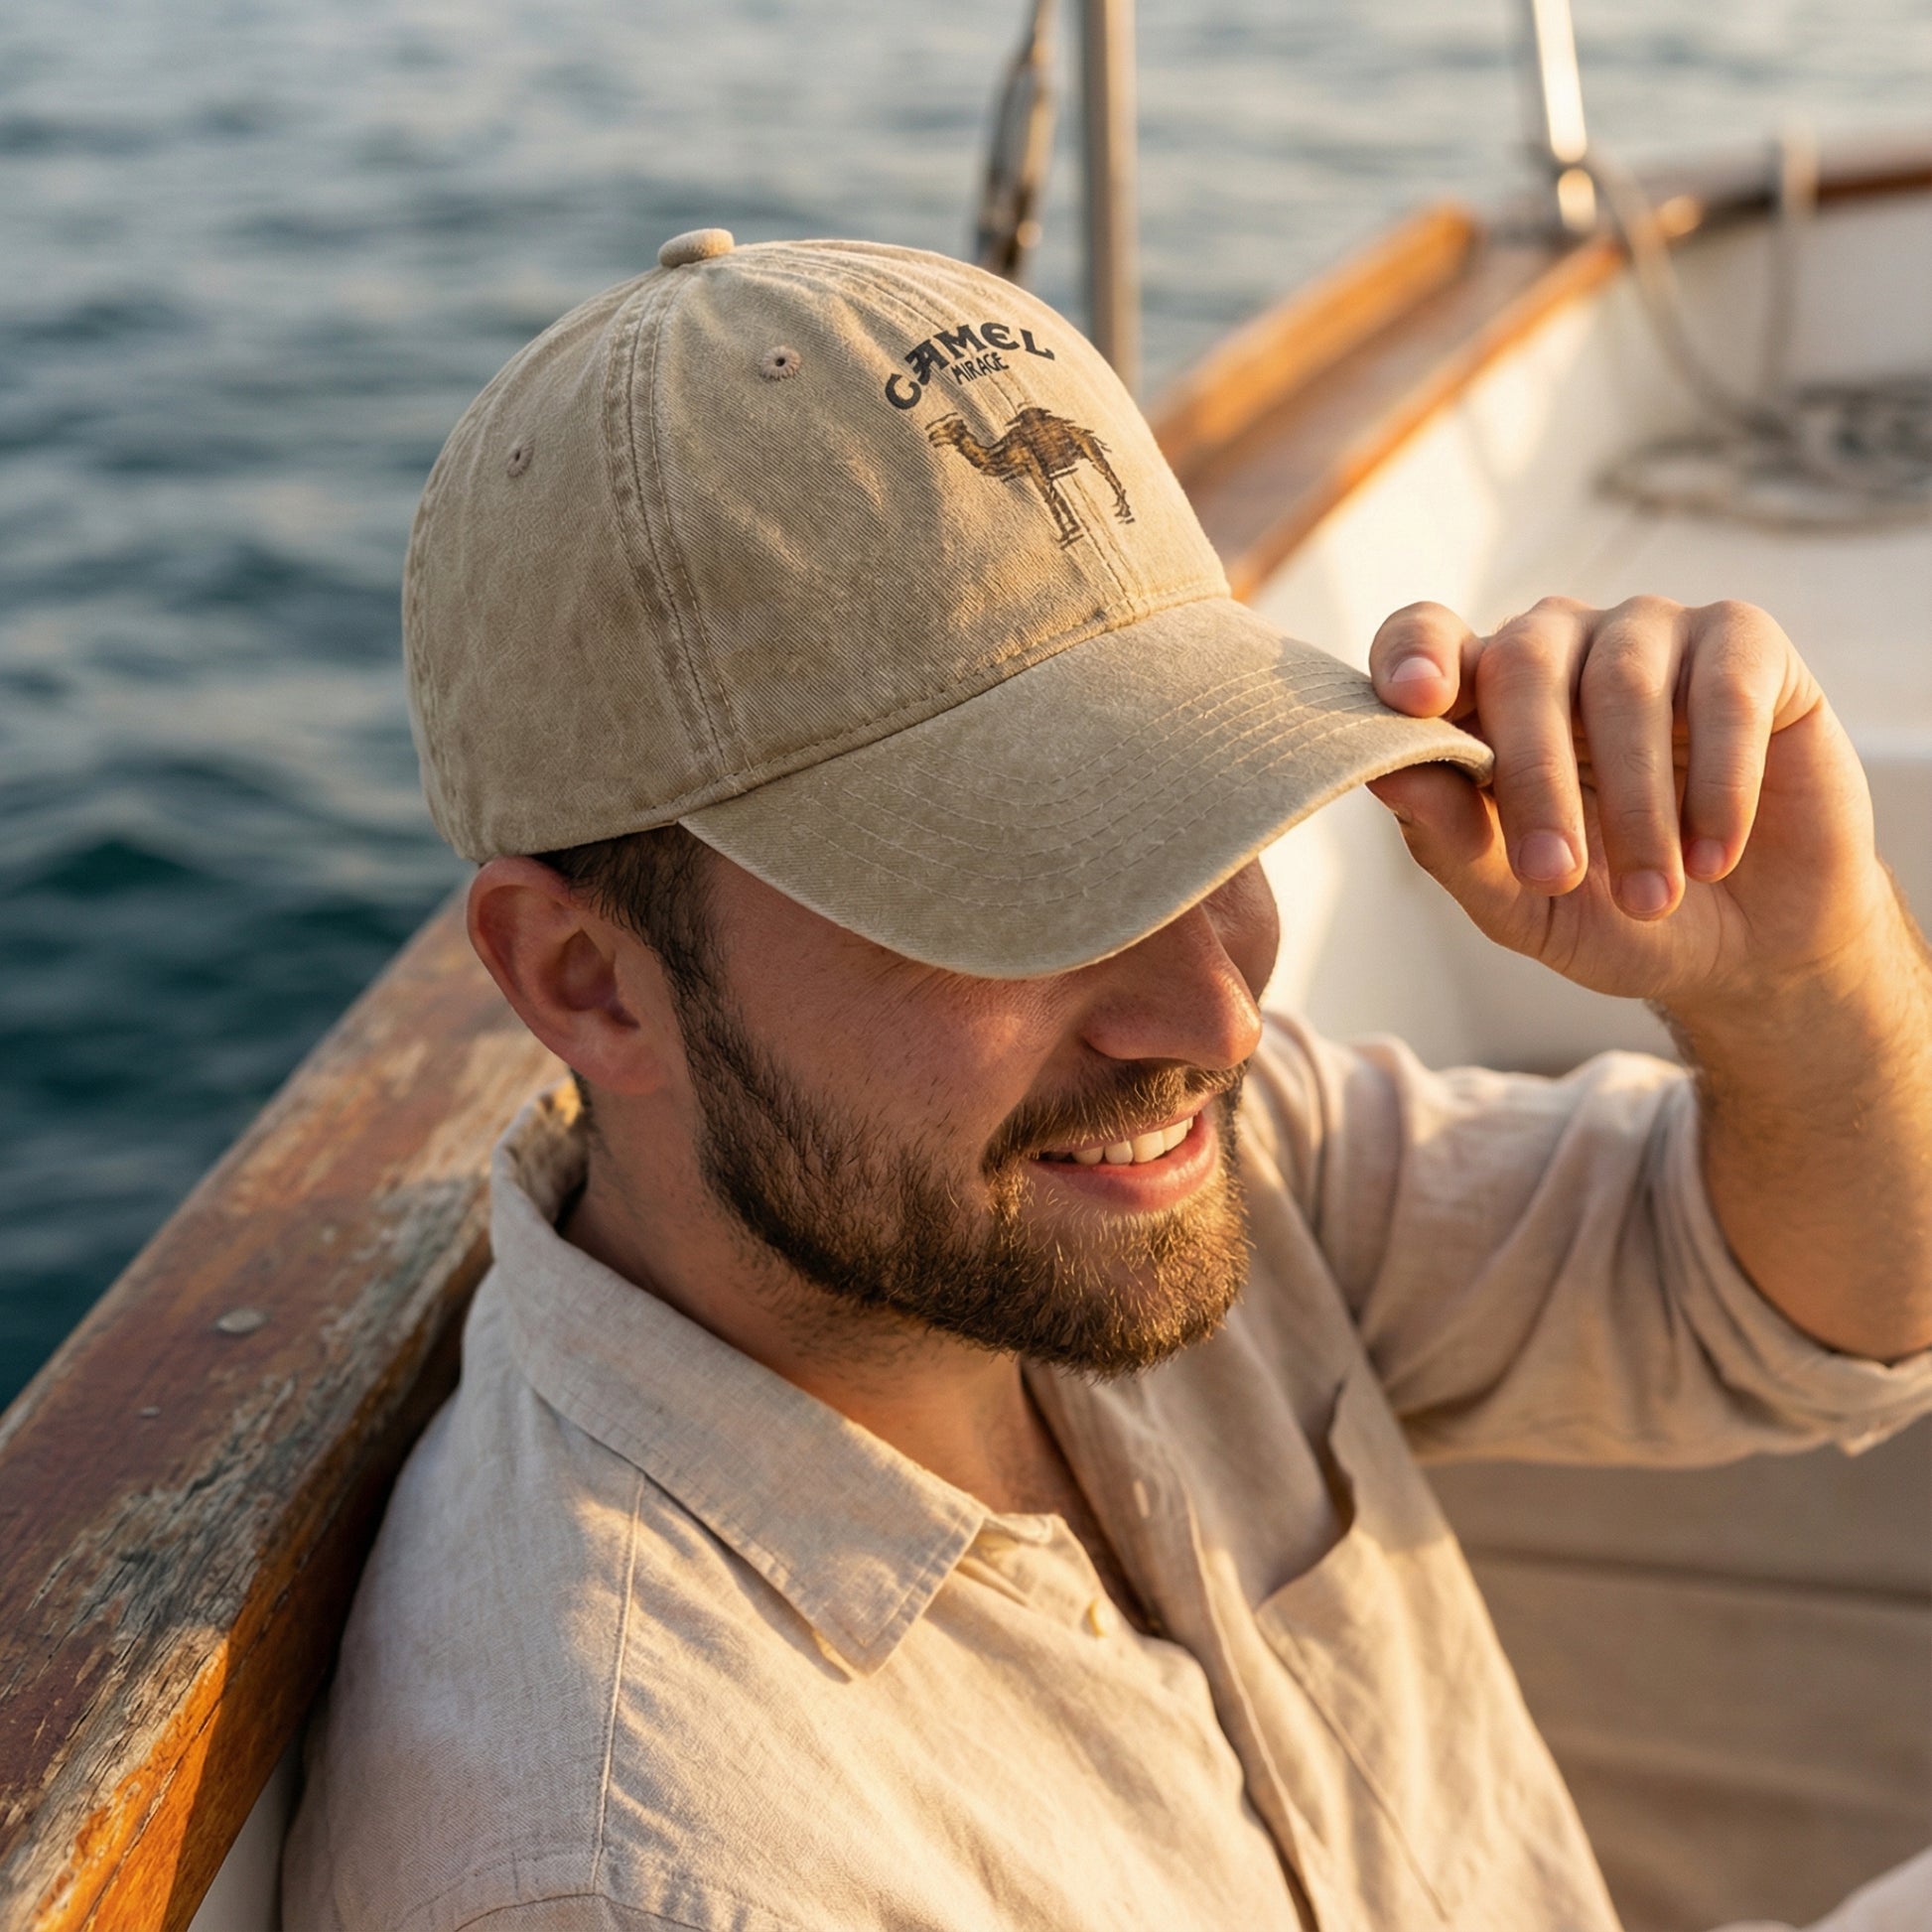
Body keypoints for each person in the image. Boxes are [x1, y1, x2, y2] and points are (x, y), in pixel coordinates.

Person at [284, 229, 1932, 1932]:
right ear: (584, 981)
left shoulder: (1122, 1168)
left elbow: (1799, 1308)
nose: (1213, 1015)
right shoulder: (649, 1862)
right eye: (1020, 889)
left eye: (1200, 815)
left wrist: (1800, 980)